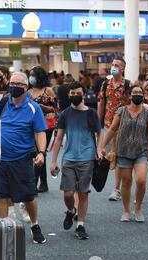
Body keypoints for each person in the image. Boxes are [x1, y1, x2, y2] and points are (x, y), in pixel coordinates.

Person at [0, 72, 47, 244]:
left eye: (19, 84)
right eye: (12, 83)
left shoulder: (33, 108)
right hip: (1, 159)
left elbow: (40, 132)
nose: (14, 87)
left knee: (28, 196)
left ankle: (35, 225)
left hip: (22, 159)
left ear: (26, 88)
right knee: (1, 196)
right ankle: (4, 229)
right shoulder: (2, 103)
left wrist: (41, 152)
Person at [98, 85, 148, 223]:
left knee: (141, 180)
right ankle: (126, 211)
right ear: (130, 95)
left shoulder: (147, 113)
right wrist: (102, 146)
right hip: (124, 151)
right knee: (126, 182)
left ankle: (138, 208)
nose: (137, 94)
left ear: (143, 95)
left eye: (140, 92)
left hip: (141, 151)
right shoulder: (121, 111)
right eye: (135, 92)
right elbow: (113, 129)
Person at [50, 82, 102, 240]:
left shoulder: (91, 114)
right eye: (72, 93)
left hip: (87, 158)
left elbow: (100, 133)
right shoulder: (65, 114)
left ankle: (80, 225)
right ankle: (71, 210)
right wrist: (53, 161)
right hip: (69, 159)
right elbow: (58, 138)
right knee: (68, 194)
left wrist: (99, 149)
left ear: (83, 94)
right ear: (69, 95)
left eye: (77, 93)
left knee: (83, 193)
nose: (75, 95)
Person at [98, 58, 131, 202]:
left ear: (123, 69)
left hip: (124, 127)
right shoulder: (105, 84)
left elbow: (132, 106)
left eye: (116, 65)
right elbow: (102, 104)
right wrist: (98, 125)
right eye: (112, 65)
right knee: (107, 155)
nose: (113, 67)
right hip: (107, 125)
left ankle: (117, 189)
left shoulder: (128, 85)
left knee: (119, 158)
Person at [28, 66, 59, 193]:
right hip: (32, 125)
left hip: (47, 125)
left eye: (33, 75)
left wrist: (44, 107)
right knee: (41, 152)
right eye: (30, 75)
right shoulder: (28, 92)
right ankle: (44, 183)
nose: (31, 77)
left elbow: (56, 108)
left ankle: (34, 183)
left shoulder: (48, 91)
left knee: (39, 151)